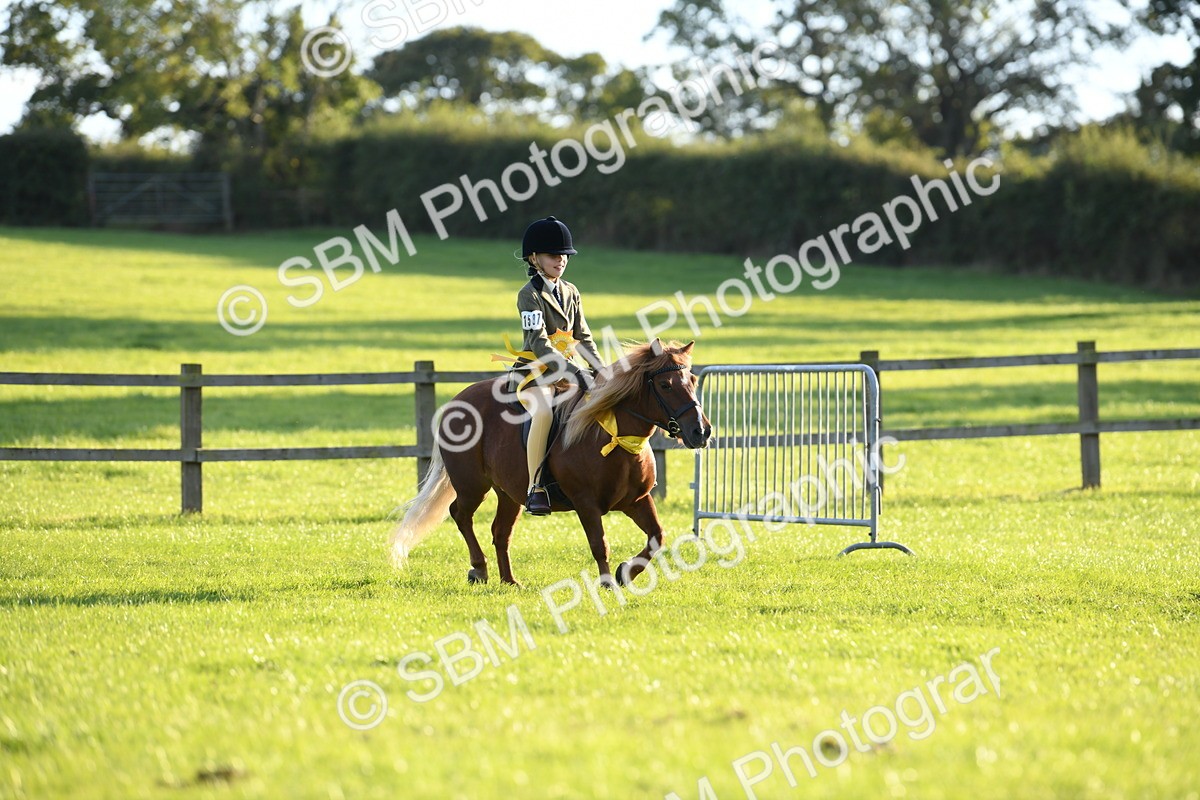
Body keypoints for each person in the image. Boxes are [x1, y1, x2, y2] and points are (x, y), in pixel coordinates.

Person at [513, 216, 603, 516]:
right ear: (534, 258)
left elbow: (583, 338)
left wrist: (603, 371)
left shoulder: (571, 292)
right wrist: (577, 372)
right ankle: (535, 487)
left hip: (569, 374)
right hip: (535, 374)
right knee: (543, 412)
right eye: (554, 255)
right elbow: (539, 343)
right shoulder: (528, 295)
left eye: (564, 255)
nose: (561, 260)